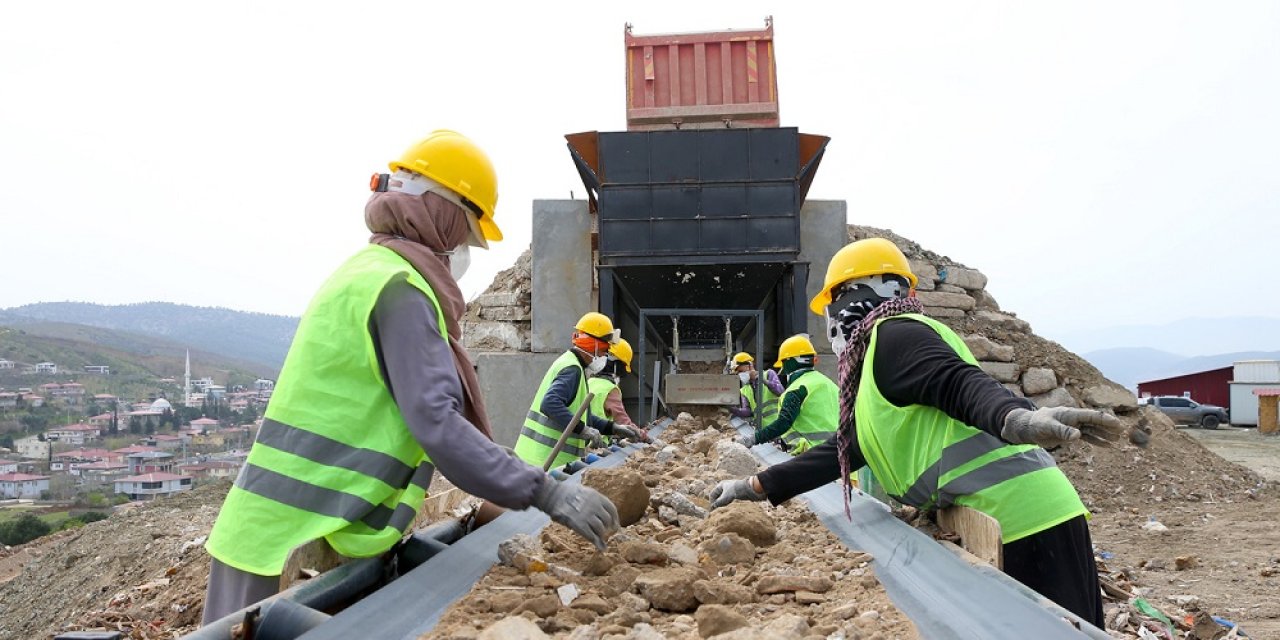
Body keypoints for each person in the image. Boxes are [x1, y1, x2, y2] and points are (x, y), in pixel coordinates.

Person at [201, 131, 619, 625]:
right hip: (287, 540)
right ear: (440, 208)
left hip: (297, 529)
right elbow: (438, 424)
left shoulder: (368, 270)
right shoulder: (400, 289)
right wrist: (547, 492)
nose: (461, 249)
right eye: (465, 230)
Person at [709, 237, 1124, 628]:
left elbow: (957, 382)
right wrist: (756, 485)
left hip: (1025, 520)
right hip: (992, 519)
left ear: (858, 293)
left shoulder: (897, 334)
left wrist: (1014, 418)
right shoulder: (869, 364)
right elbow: (847, 448)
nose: (831, 317)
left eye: (834, 302)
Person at [514, 312, 646, 469]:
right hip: (543, 462)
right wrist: (583, 430)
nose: (605, 355)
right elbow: (550, 404)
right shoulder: (572, 369)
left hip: (540, 460)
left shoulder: (575, 367)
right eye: (604, 350)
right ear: (593, 345)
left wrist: (613, 428)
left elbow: (583, 415)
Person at [734, 336, 839, 455]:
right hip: (842, 457)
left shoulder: (797, 389)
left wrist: (752, 439)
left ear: (789, 361)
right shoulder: (831, 385)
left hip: (816, 456)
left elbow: (782, 424)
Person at [587, 338, 650, 444]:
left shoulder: (589, 382)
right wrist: (643, 436)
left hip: (583, 441)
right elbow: (622, 420)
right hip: (597, 443)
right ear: (617, 366)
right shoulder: (610, 389)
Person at [727, 352, 784, 426]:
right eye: (737, 373)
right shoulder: (744, 390)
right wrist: (730, 408)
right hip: (762, 430)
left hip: (778, 425)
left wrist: (761, 379)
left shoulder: (768, 374)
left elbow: (780, 392)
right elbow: (748, 412)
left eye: (740, 371)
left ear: (749, 366)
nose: (739, 375)